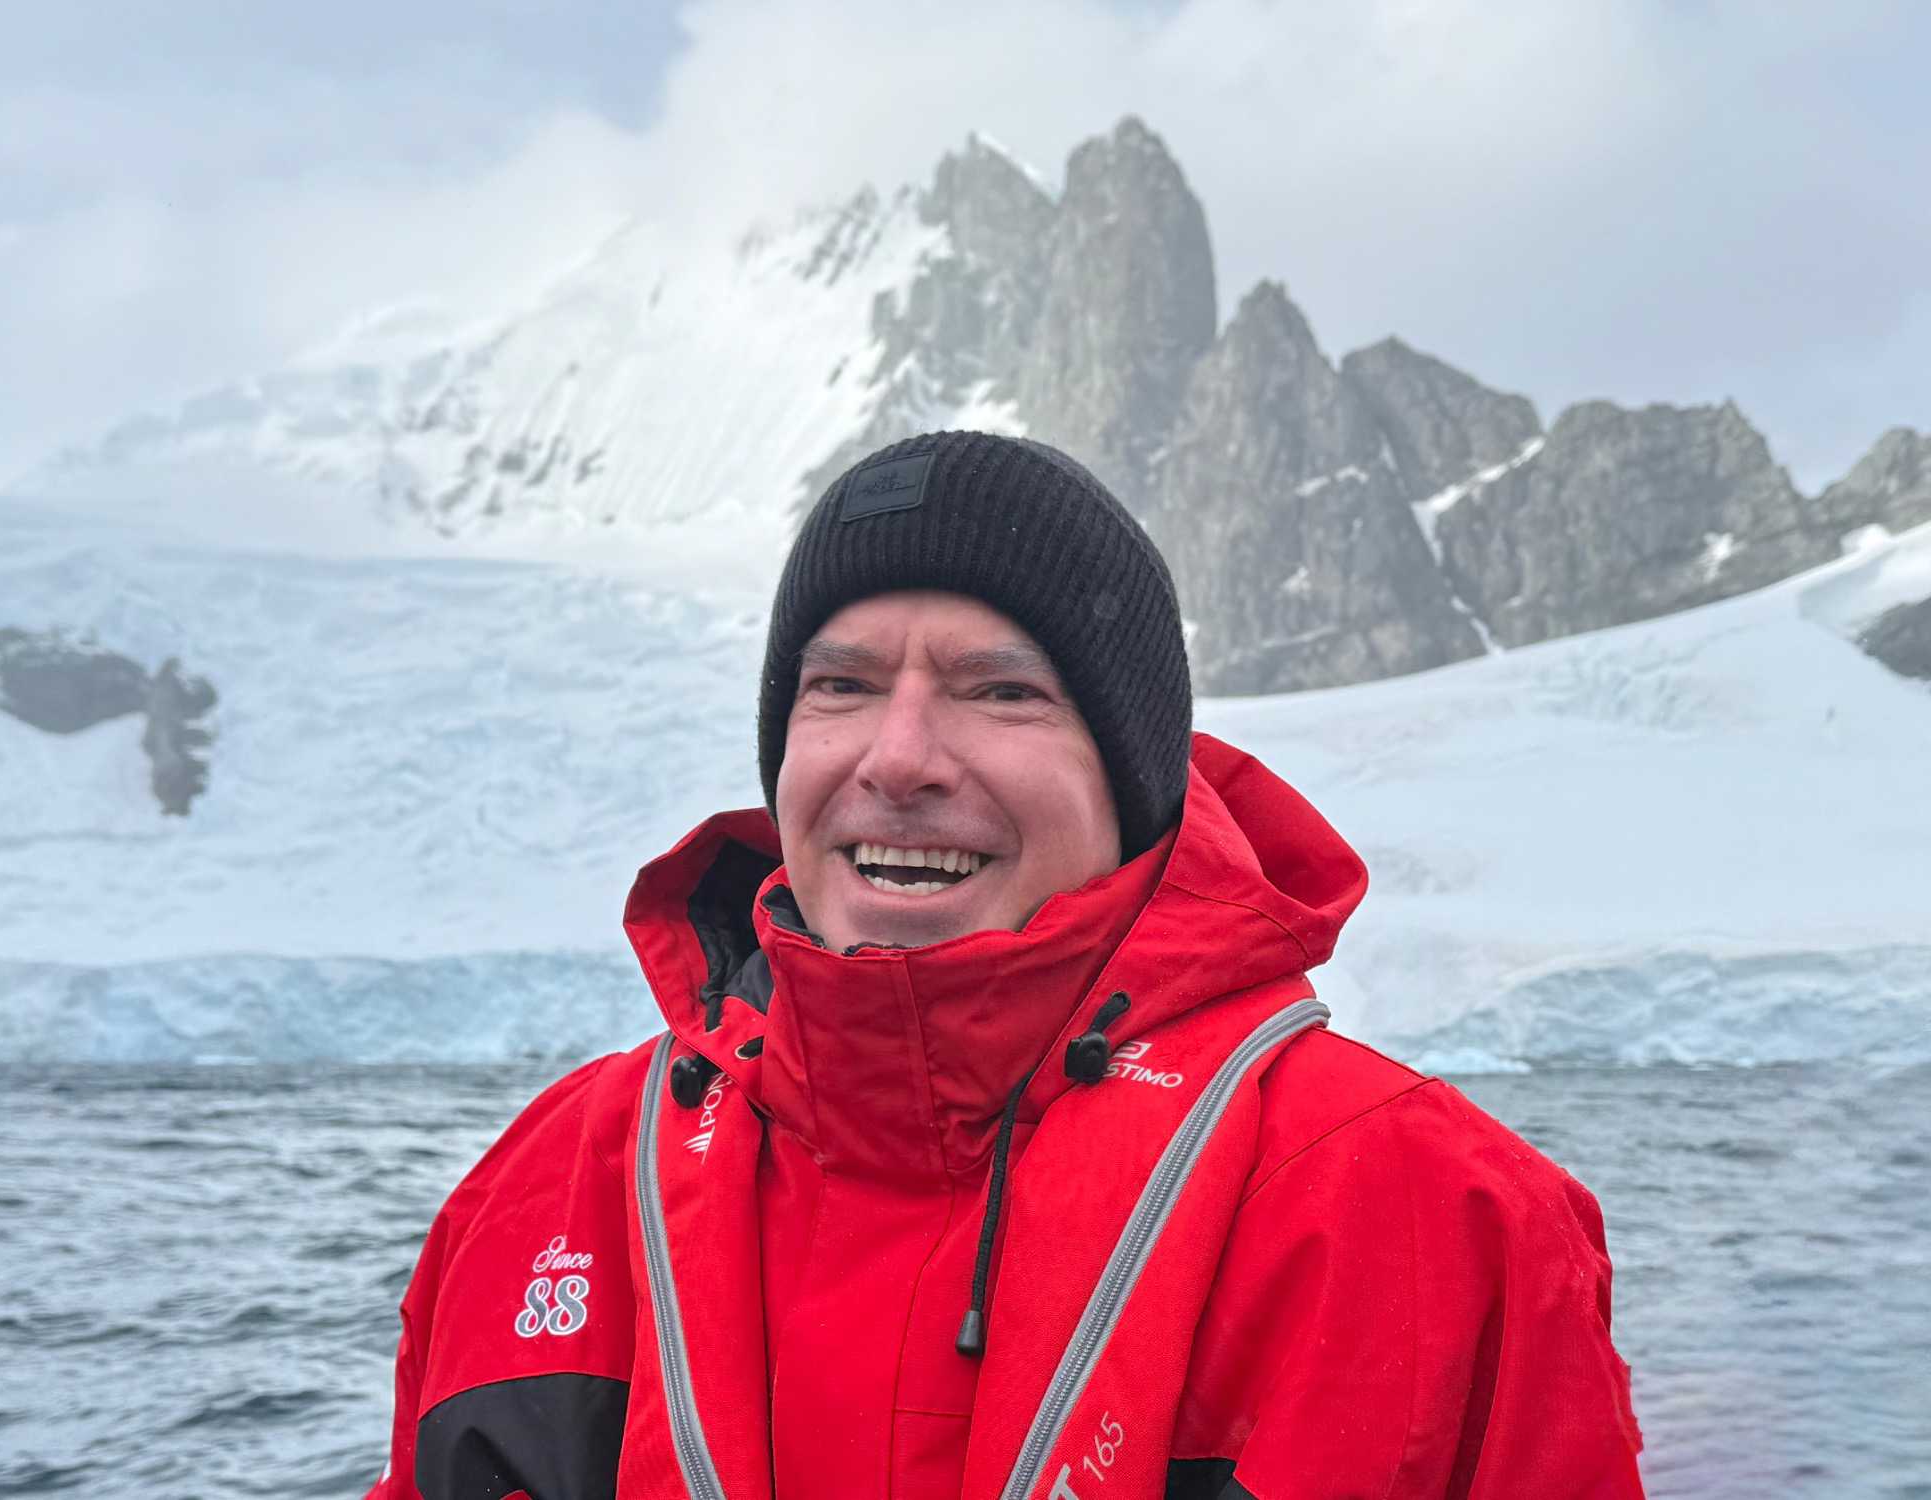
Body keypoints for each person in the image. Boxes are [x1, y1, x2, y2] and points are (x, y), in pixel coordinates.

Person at [366, 431, 1646, 1499]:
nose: (898, 757)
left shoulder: (1424, 1214)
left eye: (1001, 692)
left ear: (1128, 781)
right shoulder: (547, 1188)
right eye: (839, 686)